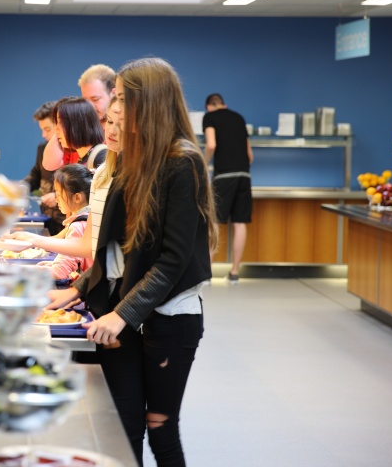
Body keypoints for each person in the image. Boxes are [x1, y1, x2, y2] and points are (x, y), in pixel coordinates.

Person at [47, 57, 218, 466]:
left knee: (160, 427)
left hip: (167, 316)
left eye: (123, 98)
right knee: (122, 429)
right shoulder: (127, 158)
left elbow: (173, 261)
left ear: (152, 103)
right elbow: (113, 249)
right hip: (120, 312)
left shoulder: (183, 161)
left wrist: (122, 314)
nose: (114, 109)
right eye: (116, 98)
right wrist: (77, 290)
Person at [9, 96, 124, 261]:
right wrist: (34, 240)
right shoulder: (82, 158)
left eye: (59, 124)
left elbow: (91, 232)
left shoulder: (101, 158)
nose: (56, 132)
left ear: (75, 124)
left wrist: (35, 241)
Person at [202, 92, 253, 284]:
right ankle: (234, 272)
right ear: (223, 103)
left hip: (224, 176)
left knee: (214, 222)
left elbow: (211, 144)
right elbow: (250, 156)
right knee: (239, 223)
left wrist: (204, 163)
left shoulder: (210, 117)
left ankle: (207, 273)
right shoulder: (239, 118)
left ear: (209, 106)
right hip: (244, 176)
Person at [42, 64, 115, 171]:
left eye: (95, 99)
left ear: (113, 93)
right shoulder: (76, 134)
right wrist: (62, 124)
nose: (90, 106)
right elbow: (49, 165)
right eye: (85, 100)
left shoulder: (120, 133)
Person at [37, 164, 93, 281]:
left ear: (77, 198)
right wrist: (53, 264)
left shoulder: (78, 226)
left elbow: (59, 272)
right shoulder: (90, 218)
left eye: (58, 194)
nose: (56, 199)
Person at [23, 101, 66, 235]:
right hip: (47, 217)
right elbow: (35, 174)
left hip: (66, 220)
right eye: (42, 129)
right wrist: (23, 187)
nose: (43, 135)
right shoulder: (43, 148)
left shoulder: (74, 150)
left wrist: (59, 196)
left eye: (47, 129)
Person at [54, 97, 107, 170]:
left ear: (78, 124)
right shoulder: (83, 157)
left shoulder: (101, 156)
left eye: (61, 123)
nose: (56, 129)